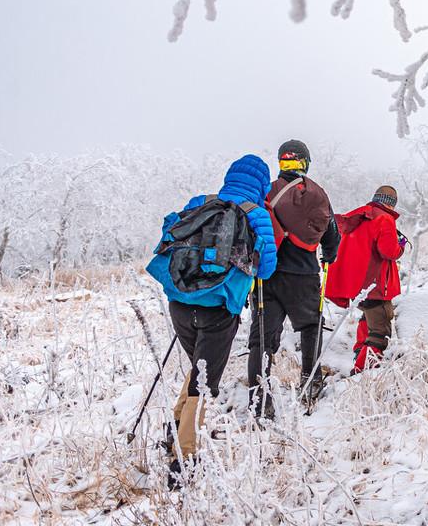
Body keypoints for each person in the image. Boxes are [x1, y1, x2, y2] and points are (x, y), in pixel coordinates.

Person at [146, 155, 278, 485]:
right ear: (262, 184)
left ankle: (175, 430)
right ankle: (185, 459)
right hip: (219, 309)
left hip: (180, 301)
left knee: (198, 370)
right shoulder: (256, 215)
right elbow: (266, 269)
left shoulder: (201, 202)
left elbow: (170, 236)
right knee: (206, 383)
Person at [248, 140, 340, 416]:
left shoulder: (266, 191)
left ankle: (259, 400)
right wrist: (329, 255)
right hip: (304, 274)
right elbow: (332, 233)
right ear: (305, 163)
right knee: (311, 326)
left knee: (261, 339)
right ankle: (310, 384)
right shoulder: (317, 193)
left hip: (268, 277)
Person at [323, 185, 406, 373]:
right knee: (379, 331)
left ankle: (360, 349)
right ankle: (363, 370)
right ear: (392, 204)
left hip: (360, 286)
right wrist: (400, 245)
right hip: (377, 287)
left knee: (366, 317)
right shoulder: (384, 219)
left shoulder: (361, 216)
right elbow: (388, 251)